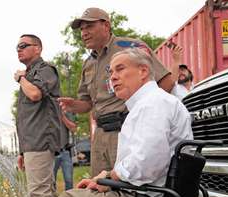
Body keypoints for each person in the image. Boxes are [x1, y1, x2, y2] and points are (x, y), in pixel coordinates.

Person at [54, 47, 193, 197]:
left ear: (143, 71)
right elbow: (144, 159)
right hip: (156, 191)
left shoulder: (152, 105)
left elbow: (146, 162)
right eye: (110, 73)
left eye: (120, 69)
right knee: (86, 190)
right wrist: (108, 177)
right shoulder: (153, 103)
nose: (113, 77)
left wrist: (110, 178)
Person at [58, 7, 175, 179]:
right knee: (99, 188)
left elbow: (166, 82)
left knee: (128, 189)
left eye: (89, 27)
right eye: (82, 29)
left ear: (106, 25)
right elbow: (87, 104)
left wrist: (141, 116)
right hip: (100, 136)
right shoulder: (88, 63)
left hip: (126, 130)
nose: (84, 33)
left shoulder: (131, 48)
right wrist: (73, 105)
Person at [14, 34, 62, 197]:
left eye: (24, 46)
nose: (19, 50)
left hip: (41, 141)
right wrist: (22, 150)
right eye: (17, 47)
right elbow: (26, 118)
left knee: (40, 194)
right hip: (32, 143)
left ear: (38, 48)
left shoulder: (44, 70)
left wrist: (21, 77)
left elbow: (35, 95)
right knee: (46, 193)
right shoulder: (32, 74)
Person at [53, 111, 77, 192]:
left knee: (69, 180)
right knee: (51, 181)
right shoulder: (46, 112)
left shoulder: (66, 112)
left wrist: (62, 116)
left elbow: (73, 128)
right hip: (51, 153)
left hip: (65, 151)